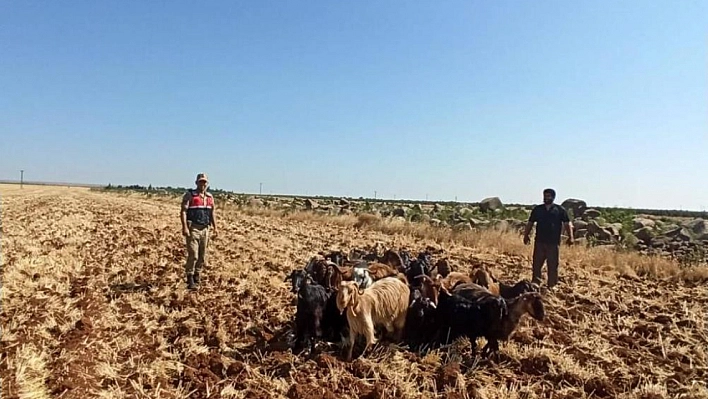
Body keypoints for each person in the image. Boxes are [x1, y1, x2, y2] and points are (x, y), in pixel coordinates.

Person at [523, 188, 573, 289]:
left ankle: (552, 286)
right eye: (545, 196)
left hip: (553, 243)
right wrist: (526, 235)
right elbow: (530, 223)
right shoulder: (538, 209)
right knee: (537, 264)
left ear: (553, 197)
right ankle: (535, 284)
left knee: (553, 265)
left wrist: (570, 237)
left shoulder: (560, 210)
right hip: (539, 241)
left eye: (549, 196)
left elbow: (567, 223)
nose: (546, 198)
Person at [181, 173, 218, 290]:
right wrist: (185, 227)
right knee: (193, 254)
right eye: (200, 182)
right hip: (193, 229)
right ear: (196, 183)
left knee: (202, 255)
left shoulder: (209, 197)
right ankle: (190, 277)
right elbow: (183, 211)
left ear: (207, 184)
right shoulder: (190, 195)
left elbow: (212, 213)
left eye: (204, 182)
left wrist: (215, 227)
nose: (203, 184)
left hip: (205, 229)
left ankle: (197, 275)